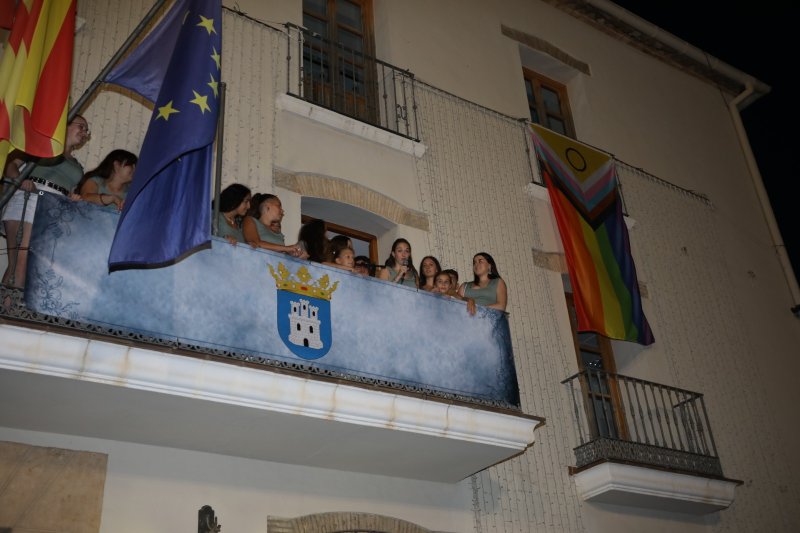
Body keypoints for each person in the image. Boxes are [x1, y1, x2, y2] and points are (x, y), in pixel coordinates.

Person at [2, 115, 91, 288]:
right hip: (29, 197)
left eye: (86, 130)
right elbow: (10, 164)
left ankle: (11, 304)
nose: (84, 132)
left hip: (55, 208)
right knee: (21, 261)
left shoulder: (77, 165)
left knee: (32, 266)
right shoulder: (41, 146)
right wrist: (20, 180)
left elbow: (69, 189)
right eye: (81, 126)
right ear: (65, 125)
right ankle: (8, 305)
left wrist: (72, 198)